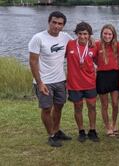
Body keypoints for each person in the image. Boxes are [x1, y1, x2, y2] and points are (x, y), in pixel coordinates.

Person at [29, 11, 72, 147]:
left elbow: (78, 44)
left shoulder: (65, 37)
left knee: (59, 107)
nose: (56, 26)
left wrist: (92, 40)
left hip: (60, 80)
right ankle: (51, 135)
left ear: (63, 26)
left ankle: (57, 130)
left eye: (60, 24)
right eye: (54, 22)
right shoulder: (38, 38)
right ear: (49, 22)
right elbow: (33, 62)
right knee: (47, 109)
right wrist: (40, 83)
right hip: (44, 82)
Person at [66, 22, 99, 142]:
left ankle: (92, 130)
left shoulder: (94, 46)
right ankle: (81, 131)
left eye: (85, 34)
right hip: (74, 84)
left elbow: (98, 62)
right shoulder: (69, 44)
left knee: (92, 106)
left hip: (90, 83)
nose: (82, 36)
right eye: (80, 34)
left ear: (89, 35)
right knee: (78, 107)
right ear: (76, 34)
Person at [95, 24, 119, 137]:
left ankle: (114, 124)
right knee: (104, 104)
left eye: (109, 34)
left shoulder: (118, 45)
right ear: (101, 34)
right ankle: (108, 126)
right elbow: (94, 59)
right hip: (102, 76)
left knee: (115, 103)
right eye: (105, 33)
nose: (107, 36)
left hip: (115, 75)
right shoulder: (96, 44)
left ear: (113, 35)